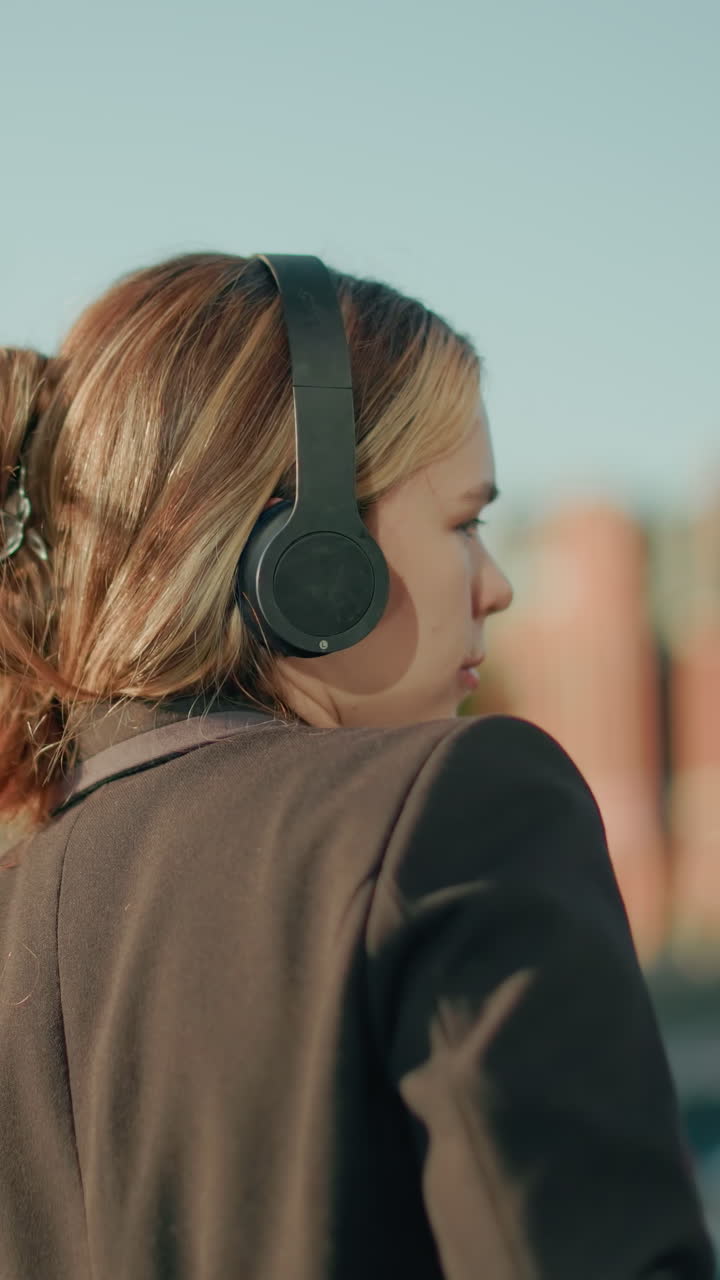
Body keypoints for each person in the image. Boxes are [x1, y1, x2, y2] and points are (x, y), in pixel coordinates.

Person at [0, 252, 714, 1279]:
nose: (498, 582)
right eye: (466, 520)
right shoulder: (461, 809)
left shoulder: (23, 901)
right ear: (309, 552)